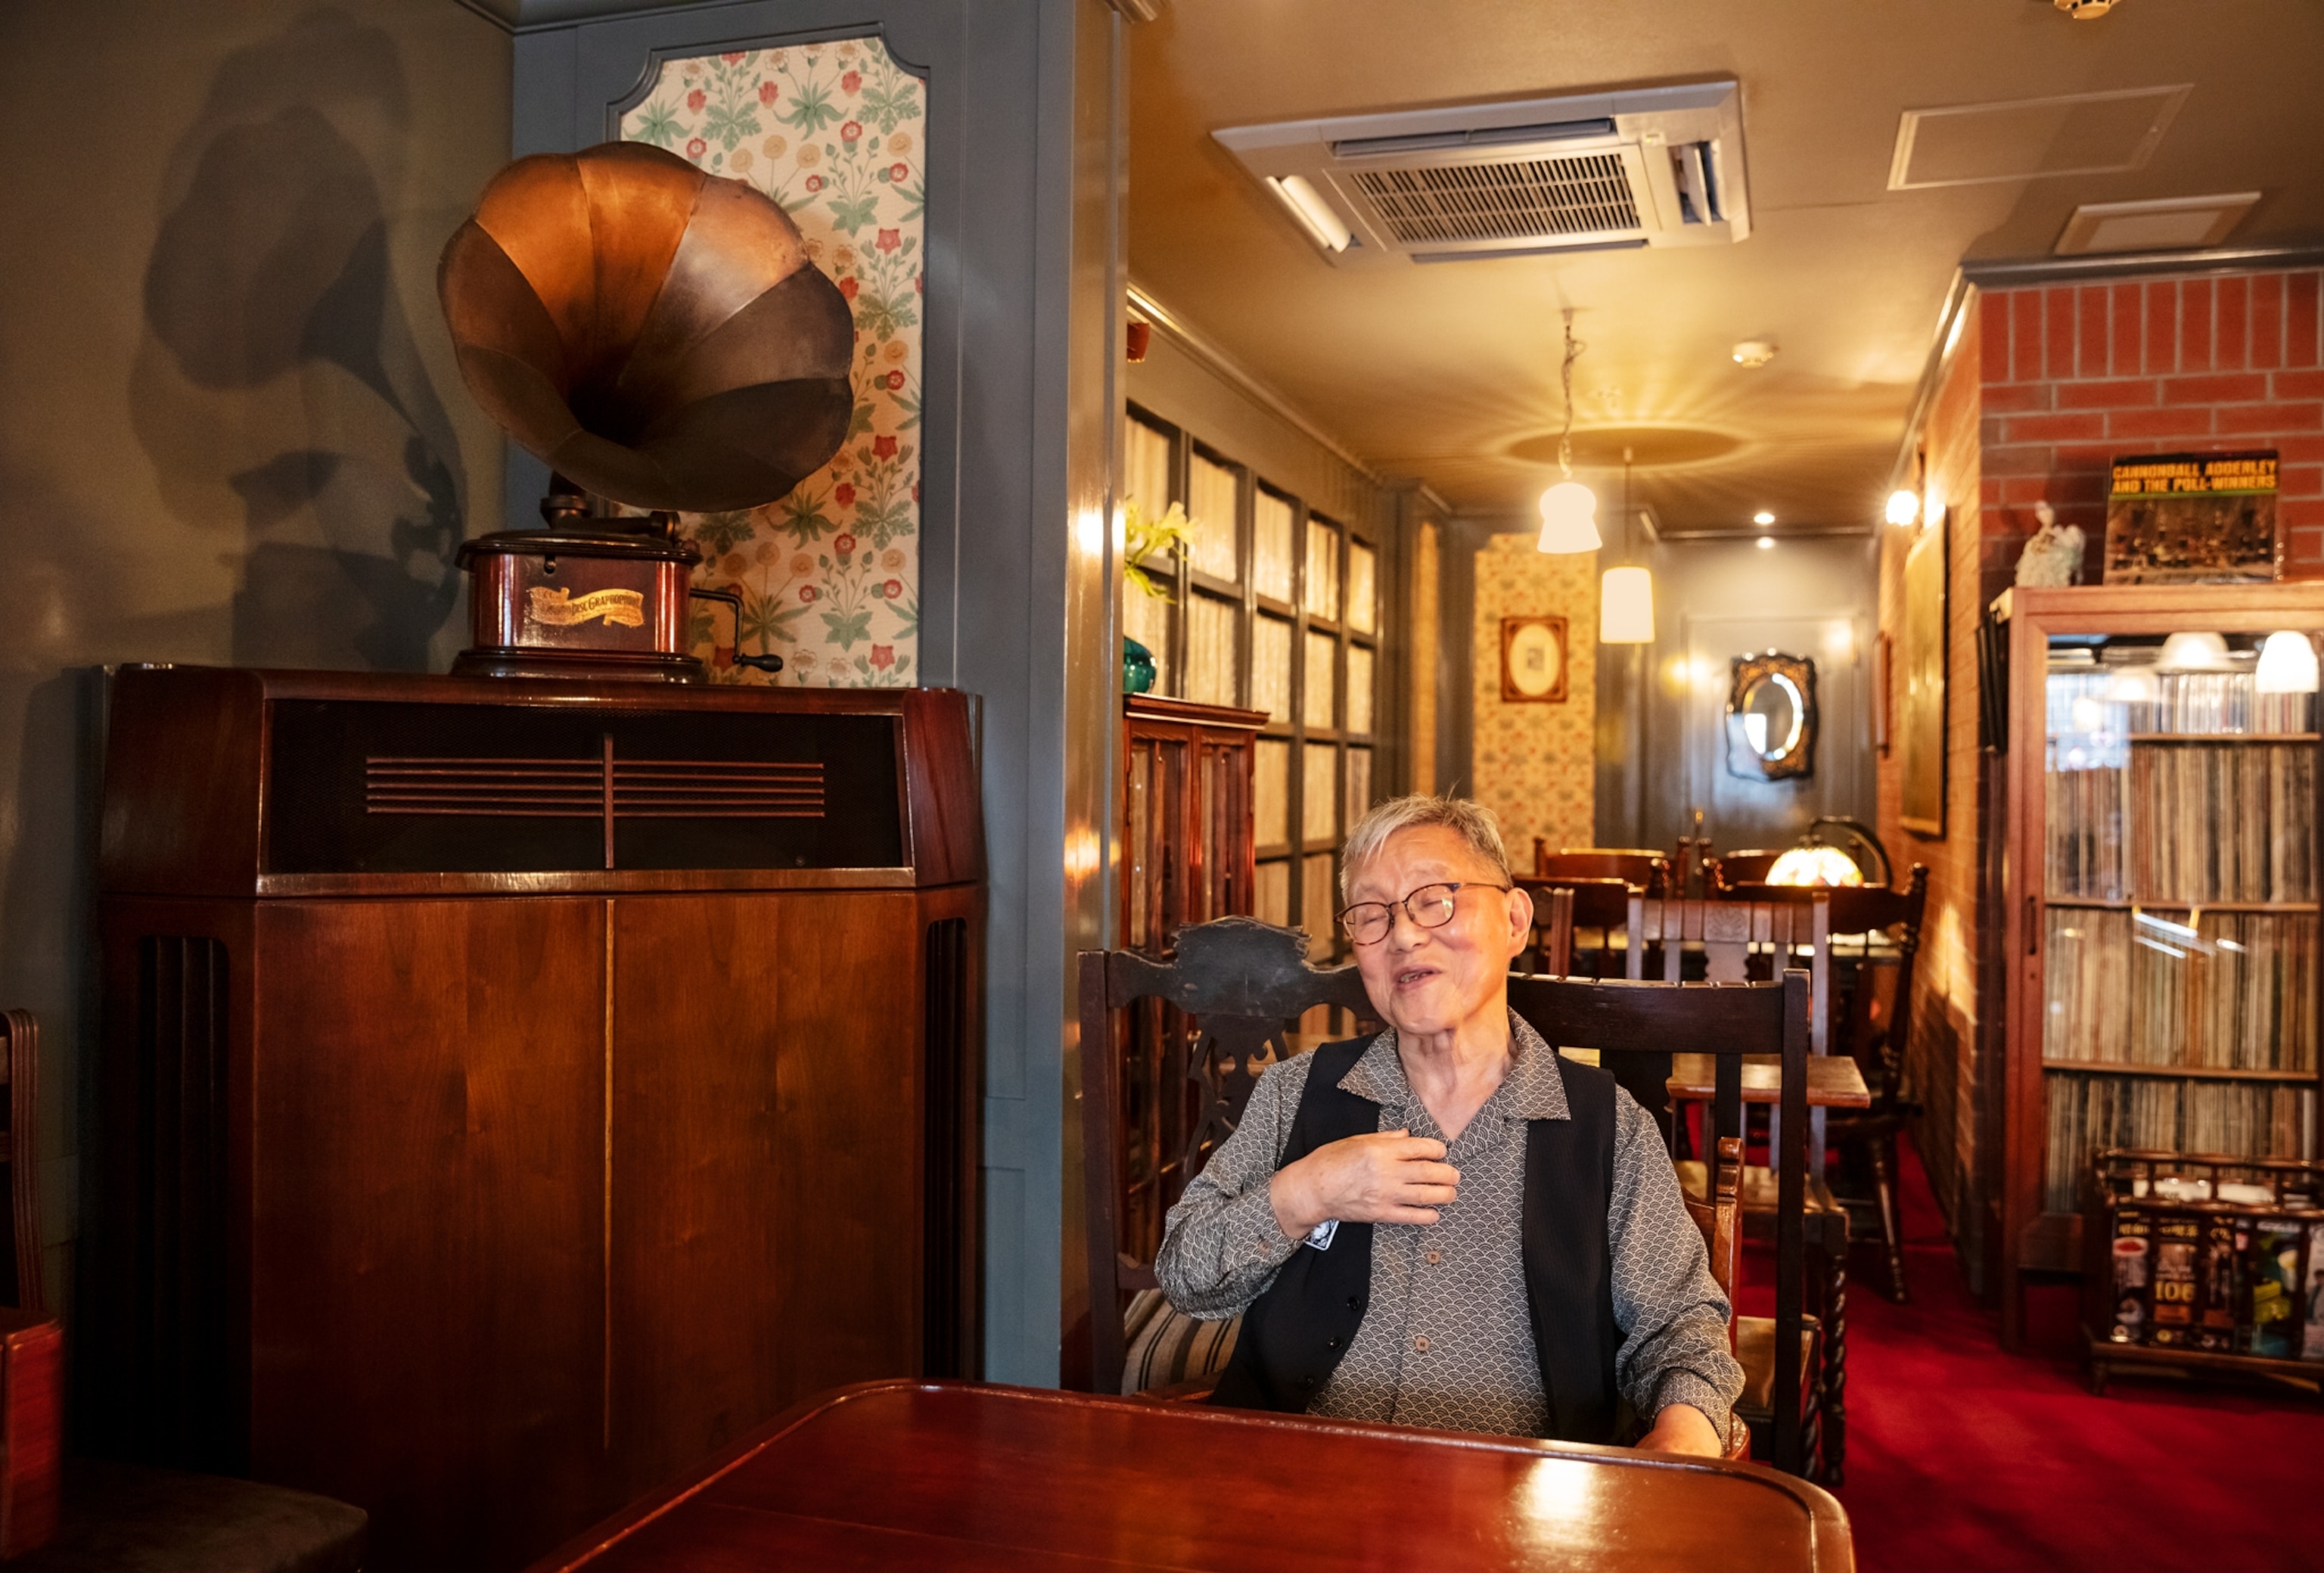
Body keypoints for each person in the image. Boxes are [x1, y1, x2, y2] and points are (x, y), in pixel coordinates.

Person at [1154, 794, 1743, 1455]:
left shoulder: (1607, 1128)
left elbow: (1681, 1329)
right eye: (1372, 915)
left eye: (1435, 898)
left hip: (1524, 1513)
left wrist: (1685, 1435)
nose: (1403, 935)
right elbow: (1184, 1273)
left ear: (1515, 919)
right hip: (1304, 1484)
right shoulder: (1299, 1092)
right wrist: (1308, 1190)